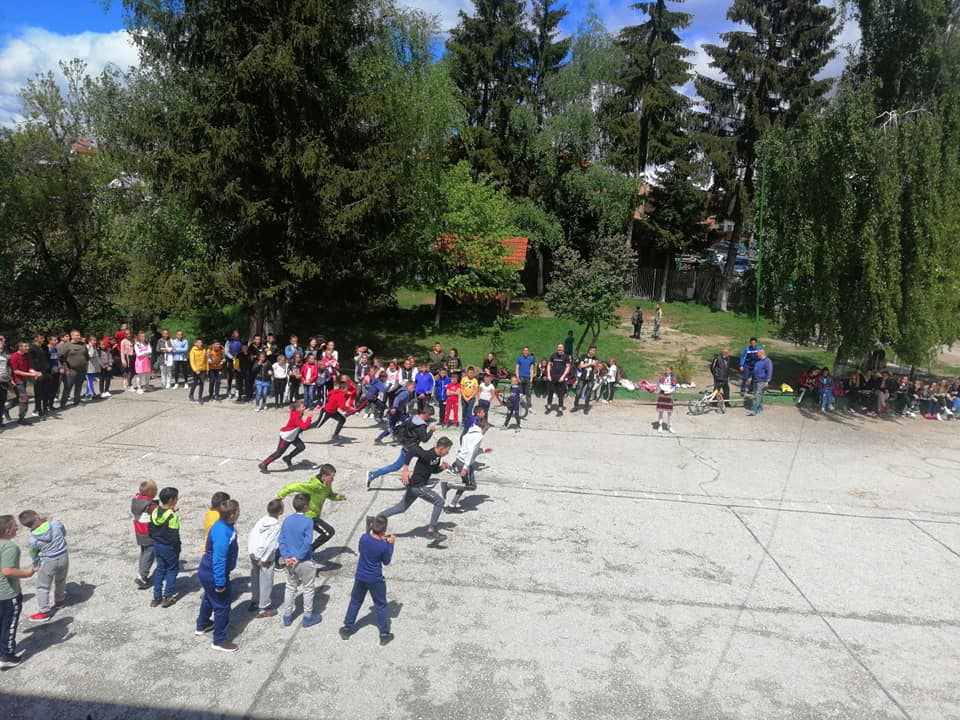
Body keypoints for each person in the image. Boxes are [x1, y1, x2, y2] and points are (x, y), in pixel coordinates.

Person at [378, 436, 453, 539]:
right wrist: (405, 469)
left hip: (414, 486)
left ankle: (376, 519)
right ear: (441, 448)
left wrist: (442, 468)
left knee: (401, 507)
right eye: (447, 450)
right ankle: (431, 530)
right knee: (439, 502)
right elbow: (412, 451)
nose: (448, 453)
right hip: (418, 486)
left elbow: (433, 470)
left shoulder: (437, 457)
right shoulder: (427, 454)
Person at [339, 514, 395, 646]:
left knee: (355, 601)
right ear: (384, 529)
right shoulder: (383, 546)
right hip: (375, 579)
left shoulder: (364, 538)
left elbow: (363, 547)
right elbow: (386, 561)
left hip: (360, 576)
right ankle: (384, 634)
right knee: (381, 605)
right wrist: (391, 545)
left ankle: (347, 628)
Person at [196, 499, 240, 652]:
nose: (239, 513)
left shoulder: (220, 525)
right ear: (232, 514)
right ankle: (219, 640)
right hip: (214, 574)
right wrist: (220, 583)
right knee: (222, 606)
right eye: (238, 511)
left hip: (206, 570)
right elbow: (219, 559)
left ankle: (202, 625)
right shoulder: (223, 533)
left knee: (209, 597)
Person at [277, 464, 345, 552]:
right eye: (331, 477)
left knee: (297, 538)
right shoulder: (314, 486)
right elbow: (294, 486)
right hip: (308, 516)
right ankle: (307, 551)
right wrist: (280, 495)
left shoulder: (327, 485)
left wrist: (339, 497)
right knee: (329, 532)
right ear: (324, 476)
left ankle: (303, 552)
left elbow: (329, 494)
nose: (333, 480)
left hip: (314, 515)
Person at [278, 493, 321, 628]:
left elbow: (282, 540)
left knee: (290, 587)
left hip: (289, 561)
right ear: (306, 506)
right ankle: (307, 616)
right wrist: (298, 557)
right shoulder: (308, 521)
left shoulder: (287, 520)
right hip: (304, 561)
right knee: (308, 588)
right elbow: (307, 543)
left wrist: (286, 557)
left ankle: (287, 616)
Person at [18, 510, 68, 623]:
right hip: (63, 556)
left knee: (43, 587)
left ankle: (44, 611)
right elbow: (63, 532)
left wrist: (36, 564)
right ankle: (59, 601)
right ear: (37, 516)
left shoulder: (33, 539)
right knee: (61, 579)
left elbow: (33, 553)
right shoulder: (55, 524)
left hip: (48, 561)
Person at [368, 405, 435, 488]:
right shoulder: (421, 425)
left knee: (398, 466)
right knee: (425, 461)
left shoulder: (413, 418)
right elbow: (424, 439)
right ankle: (422, 481)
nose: (429, 418)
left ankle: (373, 474)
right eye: (430, 416)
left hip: (406, 446)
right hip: (412, 448)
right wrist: (431, 431)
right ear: (427, 414)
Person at [1, 514, 37, 668]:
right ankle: (6, 656)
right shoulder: (10, 547)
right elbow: (8, 571)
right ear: (8, 531)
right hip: (7, 594)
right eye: (15, 526)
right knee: (8, 625)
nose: (17, 528)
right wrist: (28, 573)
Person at [247, 498, 284, 618]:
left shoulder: (261, 521)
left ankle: (255, 601)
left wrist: (252, 554)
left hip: (254, 554)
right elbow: (271, 544)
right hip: (265, 558)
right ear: (280, 512)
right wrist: (264, 559)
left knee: (255, 579)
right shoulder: (276, 526)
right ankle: (263, 607)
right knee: (266, 581)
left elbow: (252, 535)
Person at [442, 421, 491, 510]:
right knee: (472, 486)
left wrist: (483, 450)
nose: (485, 432)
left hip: (459, 460)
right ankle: (448, 485)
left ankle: (452, 505)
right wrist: (465, 467)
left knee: (464, 484)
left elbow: (470, 449)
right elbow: (471, 451)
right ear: (483, 428)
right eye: (486, 430)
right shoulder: (479, 436)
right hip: (465, 463)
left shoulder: (469, 432)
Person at [258, 400, 314, 472]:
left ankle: (288, 458)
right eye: (302, 407)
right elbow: (304, 427)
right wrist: (309, 418)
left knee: (301, 447)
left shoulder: (298, 413)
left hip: (293, 435)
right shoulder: (295, 416)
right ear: (297, 408)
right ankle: (264, 464)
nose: (304, 408)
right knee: (279, 453)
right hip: (286, 437)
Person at [148, 487, 181, 608]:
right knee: (172, 569)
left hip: (157, 544)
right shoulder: (172, 516)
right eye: (176, 498)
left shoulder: (155, 511)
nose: (177, 499)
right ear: (171, 500)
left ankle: (157, 597)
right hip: (169, 547)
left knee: (160, 569)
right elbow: (174, 536)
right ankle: (168, 596)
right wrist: (177, 547)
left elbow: (150, 530)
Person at [131, 480, 159, 590]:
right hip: (148, 533)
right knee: (149, 554)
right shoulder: (150, 505)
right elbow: (159, 514)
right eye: (155, 491)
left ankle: (141, 573)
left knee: (144, 552)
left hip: (139, 531)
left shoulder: (136, 500)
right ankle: (142, 576)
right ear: (151, 493)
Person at [10, 342, 41, 425]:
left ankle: (6, 408)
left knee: (19, 399)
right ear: (19, 347)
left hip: (24, 380)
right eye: (25, 346)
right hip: (17, 380)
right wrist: (31, 374)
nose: (27, 348)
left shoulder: (27, 355)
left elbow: (29, 368)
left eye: (28, 346)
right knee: (24, 398)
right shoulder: (14, 356)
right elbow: (16, 371)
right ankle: (21, 418)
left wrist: (35, 372)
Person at [58, 330, 87, 408]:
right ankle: (63, 403)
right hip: (71, 370)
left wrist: (86, 366)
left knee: (79, 386)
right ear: (72, 336)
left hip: (82, 370)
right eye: (77, 335)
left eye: (79, 335)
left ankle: (77, 401)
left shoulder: (83, 344)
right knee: (68, 387)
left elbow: (86, 356)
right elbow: (61, 358)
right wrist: (66, 369)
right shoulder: (67, 345)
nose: (79, 337)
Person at [29, 334, 53, 417]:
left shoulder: (44, 347)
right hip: (37, 372)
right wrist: (35, 372)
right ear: (36, 338)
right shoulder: (32, 349)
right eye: (41, 338)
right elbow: (31, 362)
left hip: (46, 371)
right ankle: (37, 409)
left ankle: (45, 407)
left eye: (43, 338)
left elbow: (47, 358)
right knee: (38, 392)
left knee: (46, 391)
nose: (43, 340)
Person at [545, 343, 571, 415]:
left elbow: (568, 367)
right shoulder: (553, 355)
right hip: (552, 377)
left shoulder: (566, 357)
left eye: (561, 347)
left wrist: (563, 376)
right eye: (558, 347)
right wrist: (548, 375)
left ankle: (560, 408)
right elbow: (549, 365)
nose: (559, 349)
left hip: (560, 378)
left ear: (563, 349)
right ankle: (549, 406)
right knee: (550, 392)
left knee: (560, 393)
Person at [747, 348, 773, 417]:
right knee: (758, 395)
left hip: (762, 381)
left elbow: (769, 372)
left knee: (757, 395)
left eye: (757, 353)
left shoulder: (767, 361)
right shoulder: (758, 361)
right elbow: (754, 370)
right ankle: (760, 409)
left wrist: (767, 381)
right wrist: (750, 377)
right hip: (755, 380)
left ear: (762, 353)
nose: (756, 355)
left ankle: (754, 410)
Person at [573, 346, 599, 413]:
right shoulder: (583, 356)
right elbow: (581, 366)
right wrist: (591, 363)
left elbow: (595, 370)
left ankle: (586, 407)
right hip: (583, 377)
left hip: (591, 378)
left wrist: (596, 366)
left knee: (588, 393)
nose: (593, 352)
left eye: (594, 351)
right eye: (592, 350)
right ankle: (575, 405)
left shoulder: (595, 359)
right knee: (578, 392)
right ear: (589, 350)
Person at [655, 366, 677, 433]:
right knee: (661, 411)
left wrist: (669, 391)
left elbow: (674, 386)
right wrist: (664, 389)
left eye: (667, 370)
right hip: (662, 395)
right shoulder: (663, 377)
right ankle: (660, 425)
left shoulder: (673, 378)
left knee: (669, 412)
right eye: (666, 370)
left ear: (671, 371)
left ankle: (669, 426)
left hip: (669, 395)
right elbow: (660, 384)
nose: (666, 371)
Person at [514, 346, 536, 412]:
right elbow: (517, 368)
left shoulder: (531, 358)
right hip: (521, 377)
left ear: (528, 351)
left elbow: (532, 369)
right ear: (522, 351)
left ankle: (529, 406)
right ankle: (518, 405)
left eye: (527, 350)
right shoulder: (519, 358)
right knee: (520, 393)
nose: (525, 352)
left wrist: (531, 378)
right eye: (524, 350)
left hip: (528, 377)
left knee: (528, 393)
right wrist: (517, 377)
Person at [188, 339, 209, 404]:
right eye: (199, 343)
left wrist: (207, 369)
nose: (200, 344)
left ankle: (200, 397)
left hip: (203, 369)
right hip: (196, 370)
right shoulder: (192, 351)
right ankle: (191, 395)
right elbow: (192, 361)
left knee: (202, 383)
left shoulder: (204, 350)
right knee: (195, 383)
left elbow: (206, 360)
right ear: (195, 344)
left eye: (201, 343)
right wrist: (195, 370)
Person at [224, 330, 243, 398]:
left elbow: (242, 350)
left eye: (237, 333)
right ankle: (229, 391)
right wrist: (232, 357)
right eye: (235, 333)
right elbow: (226, 351)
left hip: (238, 361)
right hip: (230, 361)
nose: (237, 334)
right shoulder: (228, 341)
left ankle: (237, 390)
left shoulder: (240, 341)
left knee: (238, 376)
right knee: (230, 377)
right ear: (232, 334)